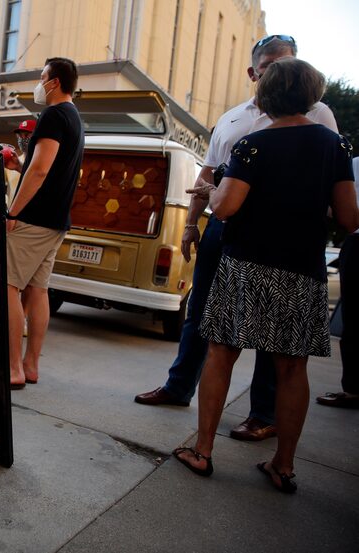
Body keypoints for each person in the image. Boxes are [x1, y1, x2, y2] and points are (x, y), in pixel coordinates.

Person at [135, 35, 339, 442]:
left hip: (283, 240)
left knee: (271, 333)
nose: (282, 75)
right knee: (200, 314)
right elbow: (207, 175)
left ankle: (262, 413)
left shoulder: (320, 117)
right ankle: (179, 387)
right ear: (254, 73)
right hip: (223, 230)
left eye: (289, 65)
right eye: (272, 68)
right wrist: (192, 225)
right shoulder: (232, 118)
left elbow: (332, 183)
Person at [172, 58, 358, 493]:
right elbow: (350, 217)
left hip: (247, 263)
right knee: (293, 369)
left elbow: (225, 207)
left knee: (221, 353)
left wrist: (209, 190)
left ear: (267, 95)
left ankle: (202, 452)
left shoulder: (253, 146)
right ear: (312, 94)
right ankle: (284, 465)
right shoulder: (335, 146)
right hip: (301, 268)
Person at [6, 57, 84, 389]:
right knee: (38, 289)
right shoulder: (75, 118)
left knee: (7, 285)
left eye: (42, 77)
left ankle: (12, 369)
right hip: (56, 221)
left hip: (34, 219)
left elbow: (40, 169)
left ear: (54, 82)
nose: (39, 84)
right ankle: (31, 364)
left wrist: (12, 212)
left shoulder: (52, 115)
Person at [316, 155, 359, 409]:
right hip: (356, 241)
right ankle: (353, 389)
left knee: (354, 321)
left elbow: (338, 209)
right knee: (353, 321)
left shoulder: (352, 163)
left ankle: (353, 389)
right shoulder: (352, 163)